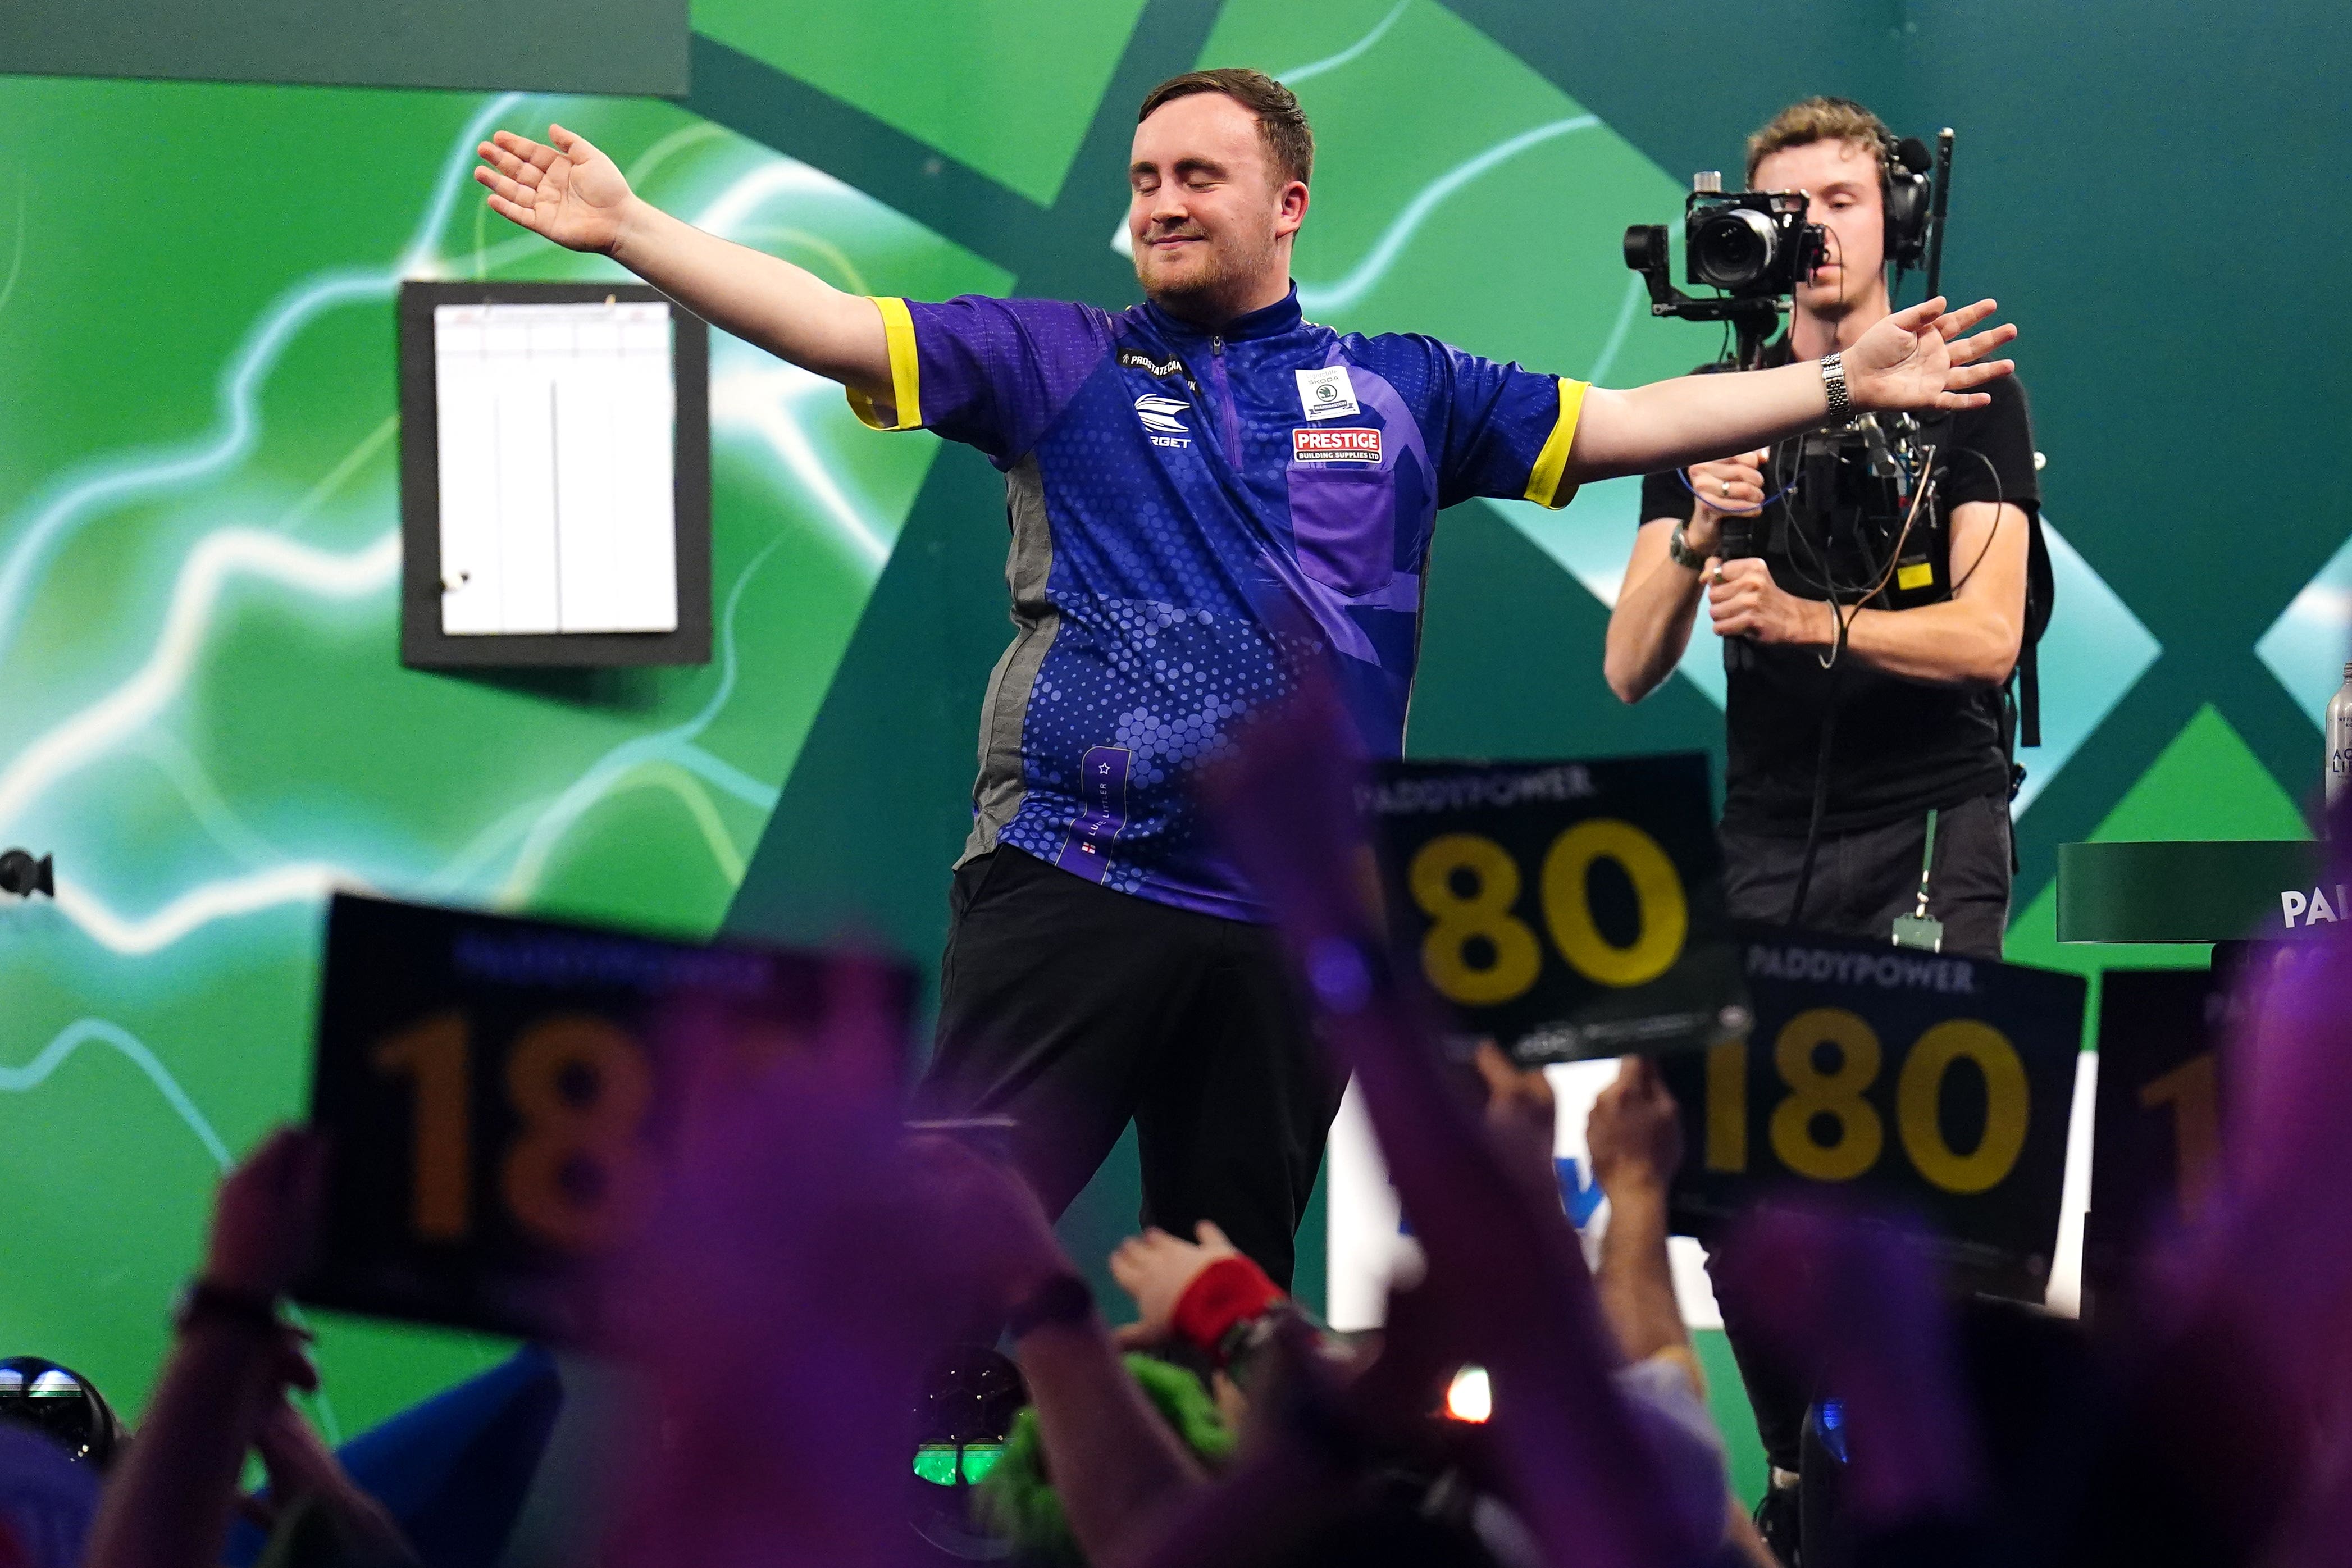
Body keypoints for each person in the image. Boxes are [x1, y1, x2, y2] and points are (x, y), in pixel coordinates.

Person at [473, 71, 2015, 1289]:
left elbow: (1618, 419)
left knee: (1229, 1299)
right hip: (1070, 878)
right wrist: (634, 233)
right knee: (930, 1257)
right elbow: (822, 325)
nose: (1158, 205)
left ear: (1285, 203)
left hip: (1293, 927)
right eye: (1141, 182)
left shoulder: (1408, 387)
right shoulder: (1050, 359)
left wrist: (1835, 381)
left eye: (1193, 177)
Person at [1606, 96, 2041, 963]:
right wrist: (1698, 527)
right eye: (1790, 210)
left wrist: (1805, 621)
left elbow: (1991, 641)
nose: (1818, 231)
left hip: (1934, 824)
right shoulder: (1710, 406)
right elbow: (1626, 668)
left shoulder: (1967, 392)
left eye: (1843, 201)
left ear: (1900, 218)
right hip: (1766, 833)